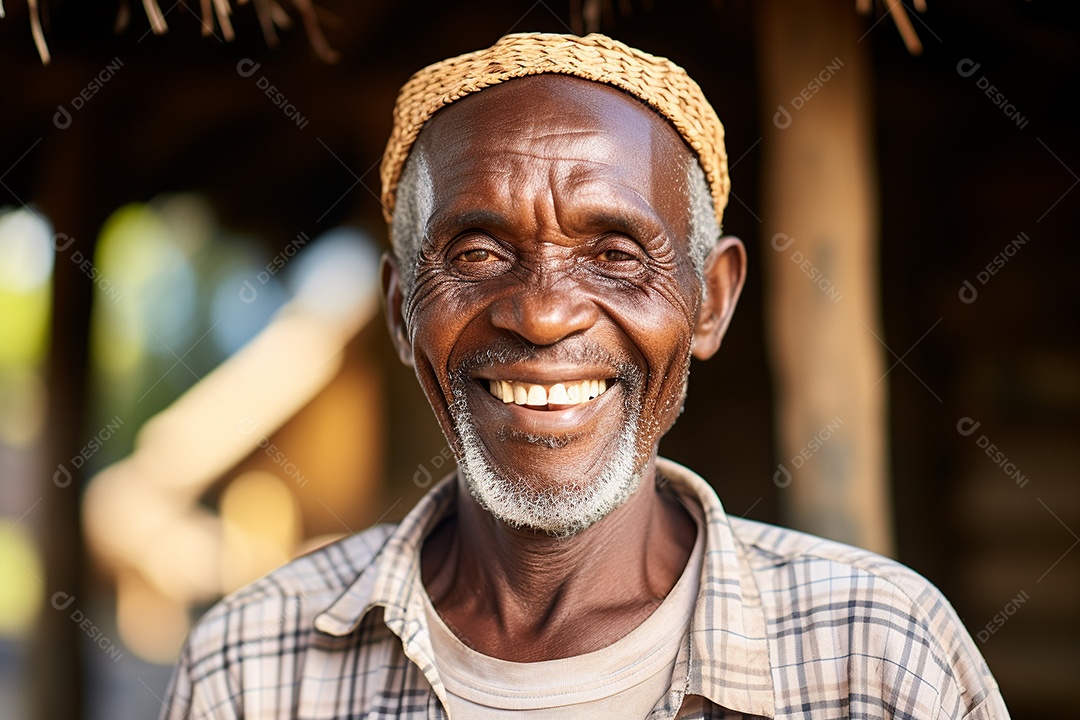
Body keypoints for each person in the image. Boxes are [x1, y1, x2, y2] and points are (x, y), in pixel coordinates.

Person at [162, 32, 1009, 719]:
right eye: (478, 252)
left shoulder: (881, 656)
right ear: (399, 311)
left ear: (710, 302)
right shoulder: (254, 669)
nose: (541, 313)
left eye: (613, 255)